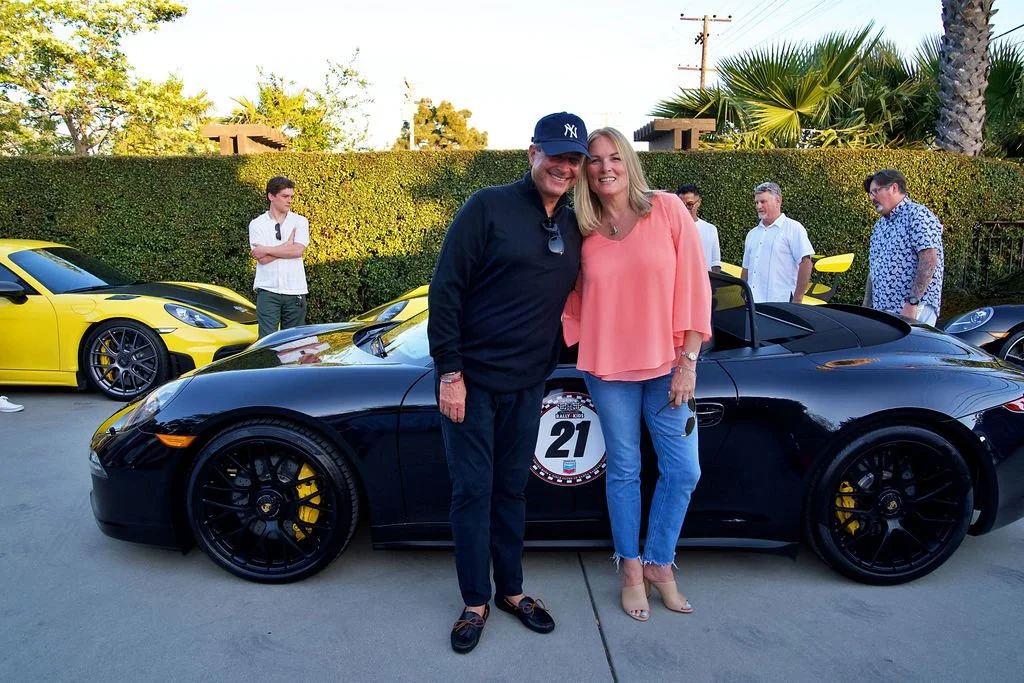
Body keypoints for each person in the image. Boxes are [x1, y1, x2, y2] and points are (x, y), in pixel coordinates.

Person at [427, 112, 589, 654]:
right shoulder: (486, 207)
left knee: (512, 490)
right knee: (473, 490)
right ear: (531, 155)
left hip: (528, 385)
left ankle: (512, 592)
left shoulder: (573, 222)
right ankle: (475, 600)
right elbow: (446, 290)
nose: (563, 167)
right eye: (554, 156)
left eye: (573, 159)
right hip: (469, 383)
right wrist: (450, 373)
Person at [563, 127, 712, 622]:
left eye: (615, 158)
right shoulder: (579, 228)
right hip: (606, 368)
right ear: (586, 170)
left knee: (683, 470)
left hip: (668, 365)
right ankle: (632, 570)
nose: (606, 167)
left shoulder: (667, 209)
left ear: (629, 162)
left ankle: (659, 563)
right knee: (624, 471)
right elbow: (562, 293)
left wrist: (688, 360)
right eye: (596, 160)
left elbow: (694, 284)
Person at [863, 169, 945, 325]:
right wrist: (866, 309)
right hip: (885, 313)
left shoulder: (918, 215)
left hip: (912, 310)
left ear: (894, 188)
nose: (872, 198)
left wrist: (912, 303)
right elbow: (874, 272)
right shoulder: (879, 226)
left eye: (876, 191)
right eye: (870, 194)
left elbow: (929, 258)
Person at [248, 176, 309, 338]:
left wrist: (267, 249)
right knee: (267, 343)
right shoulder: (257, 224)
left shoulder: (300, 222)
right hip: (268, 291)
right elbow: (263, 259)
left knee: (294, 342)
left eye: (291, 197)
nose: (289, 200)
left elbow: (298, 251)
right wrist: (286, 246)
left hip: (295, 290)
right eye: (285, 196)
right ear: (271, 196)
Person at [741, 182, 814, 303]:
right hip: (752, 305)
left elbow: (806, 262)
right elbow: (746, 269)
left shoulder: (793, 228)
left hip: (780, 306)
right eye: (756, 202)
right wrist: (741, 297)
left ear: (778, 201)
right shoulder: (752, 234)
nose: (758, 206)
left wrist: (797, 300)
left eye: (763, 202)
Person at [676, 183, 721, 272]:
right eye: (681, 205)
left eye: (690, 204)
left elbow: (715, 263)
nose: (685, 209)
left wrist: (713, 285)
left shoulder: (711, 230)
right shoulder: (671, 229)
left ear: (698, 202)